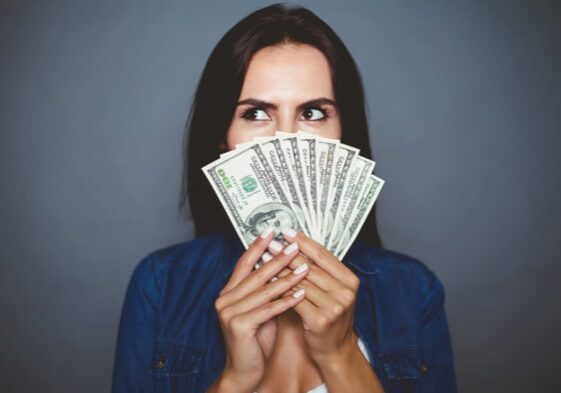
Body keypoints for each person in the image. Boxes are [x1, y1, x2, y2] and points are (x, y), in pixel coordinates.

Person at [111, 4, 457, 393]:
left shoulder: (412, 290)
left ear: (344, 132)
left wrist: (341, 354)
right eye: (257, 113)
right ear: (221, 137)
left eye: (312, 112)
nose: (286, 140)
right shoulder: (161, 284)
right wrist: (236, 380)